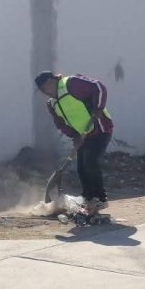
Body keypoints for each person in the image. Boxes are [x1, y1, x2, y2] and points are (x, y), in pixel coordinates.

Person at [34, 71, 114, 211]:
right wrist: (74, 136)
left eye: (45, 88)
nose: (45, 92)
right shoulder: (52, 104)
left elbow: (98, 87)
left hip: (100, 128)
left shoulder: (71, 83)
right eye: (41, 90)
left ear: (51, 82)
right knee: (81, 167)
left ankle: (100, 199)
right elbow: (60, 123)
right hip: (83, 135)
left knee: (90, 162)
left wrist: (98, 109)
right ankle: (88, 198)